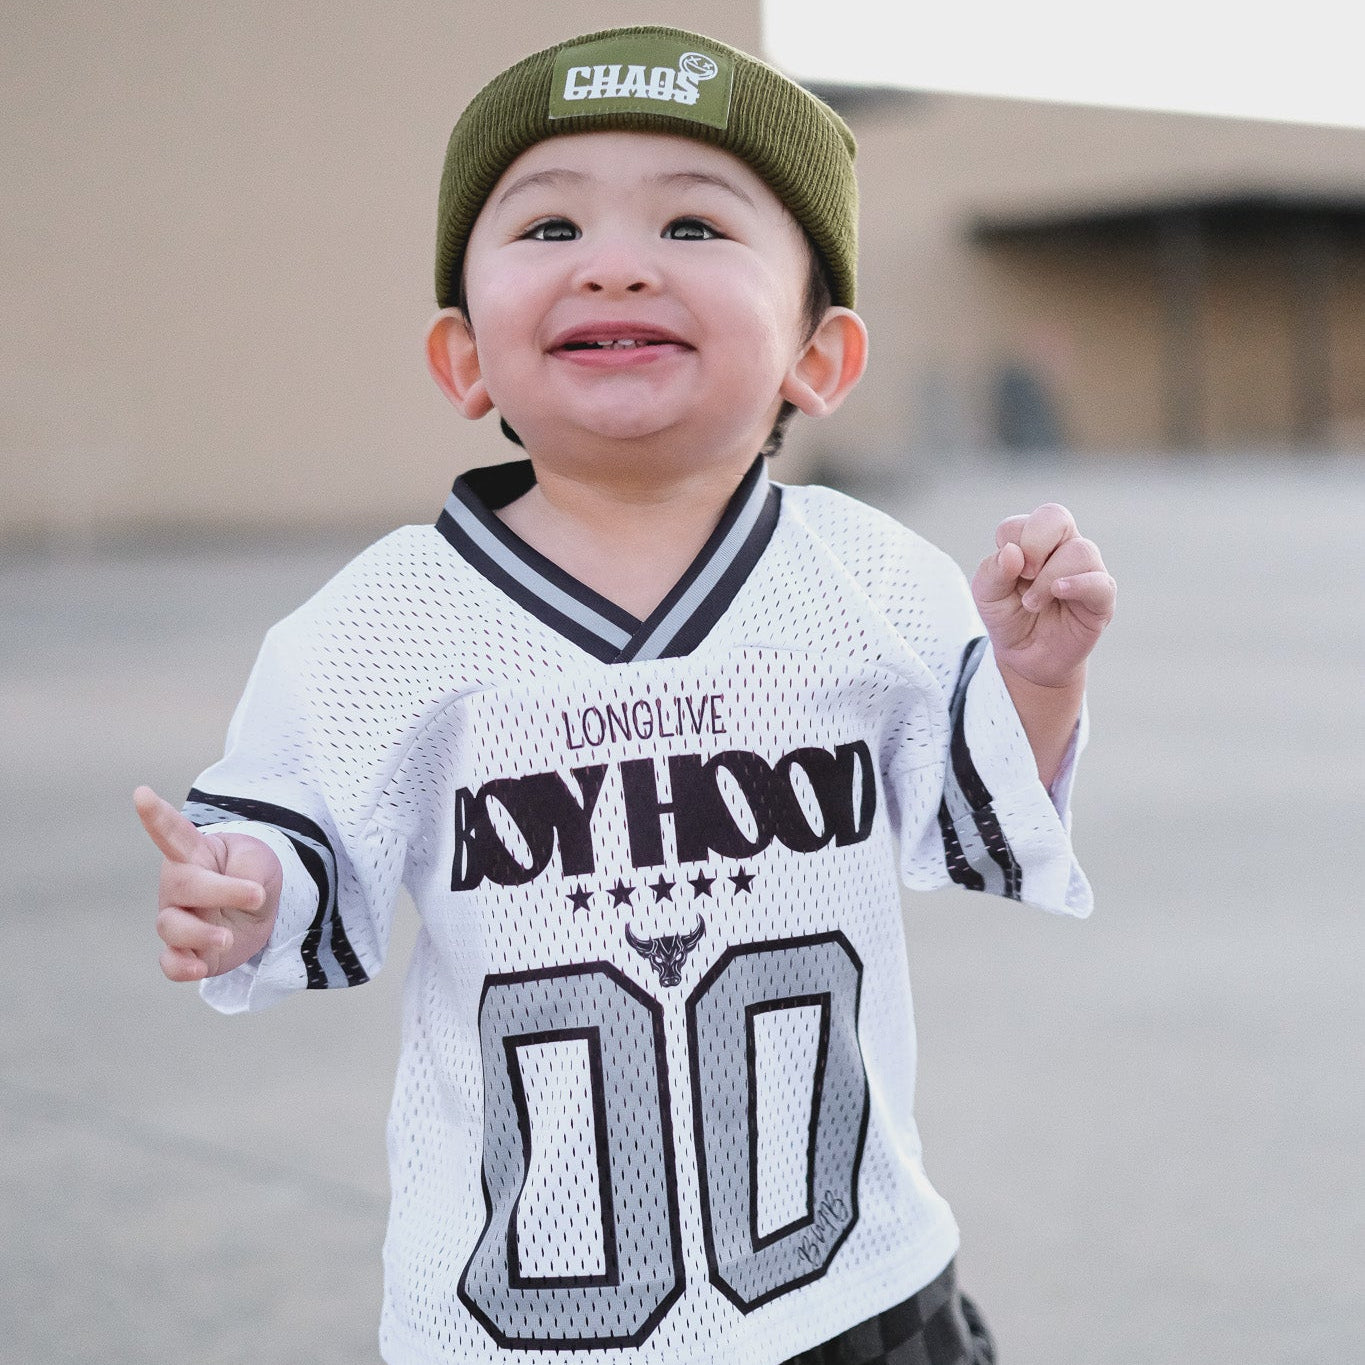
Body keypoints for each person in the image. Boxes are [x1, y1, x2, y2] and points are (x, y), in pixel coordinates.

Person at [134, 24, 1115, 1365]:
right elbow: (298, 834)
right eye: (548, 226)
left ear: (820, 356)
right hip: (530, 1322)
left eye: (694, 225)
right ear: (462, 357)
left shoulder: (870, 578)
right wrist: (246, 885)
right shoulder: (385, 620)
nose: (613, 262)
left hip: (851, 1290)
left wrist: (1035, 680)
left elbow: (978, 810)